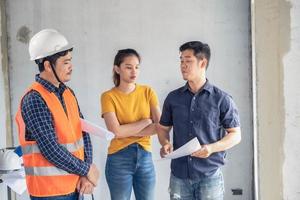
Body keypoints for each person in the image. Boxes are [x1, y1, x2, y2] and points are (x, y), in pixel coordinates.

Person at [15, 29, 100, 200]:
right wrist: (87, 169)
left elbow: (83, 133)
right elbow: (50, 149)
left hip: (76, 185)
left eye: (70, 61)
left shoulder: (68, 93)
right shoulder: (34, 99)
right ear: (47, 65)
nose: (71, 67)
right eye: (66, 62)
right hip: (50, 193)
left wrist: (86, 172)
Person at [157, 41, 241, 200]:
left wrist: (211, 148)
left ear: (203, 63)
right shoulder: (173, 98)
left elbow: (235, 135)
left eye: (188, 61)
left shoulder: (221, 99)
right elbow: (162, 128)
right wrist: (165, 143)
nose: (183, 65)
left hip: (209, 175)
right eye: (181, 61)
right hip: (179, 176)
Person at [101, 49, 161, 200]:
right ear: (117, 69)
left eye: (137, 67)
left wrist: (126, 131)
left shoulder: (148, 92)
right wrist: (145, 122)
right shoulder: (108, 96)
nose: (134, 71)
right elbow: (115, 131)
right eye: (128, 67)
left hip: (145, 157)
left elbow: (160, 126)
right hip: (118, 159)